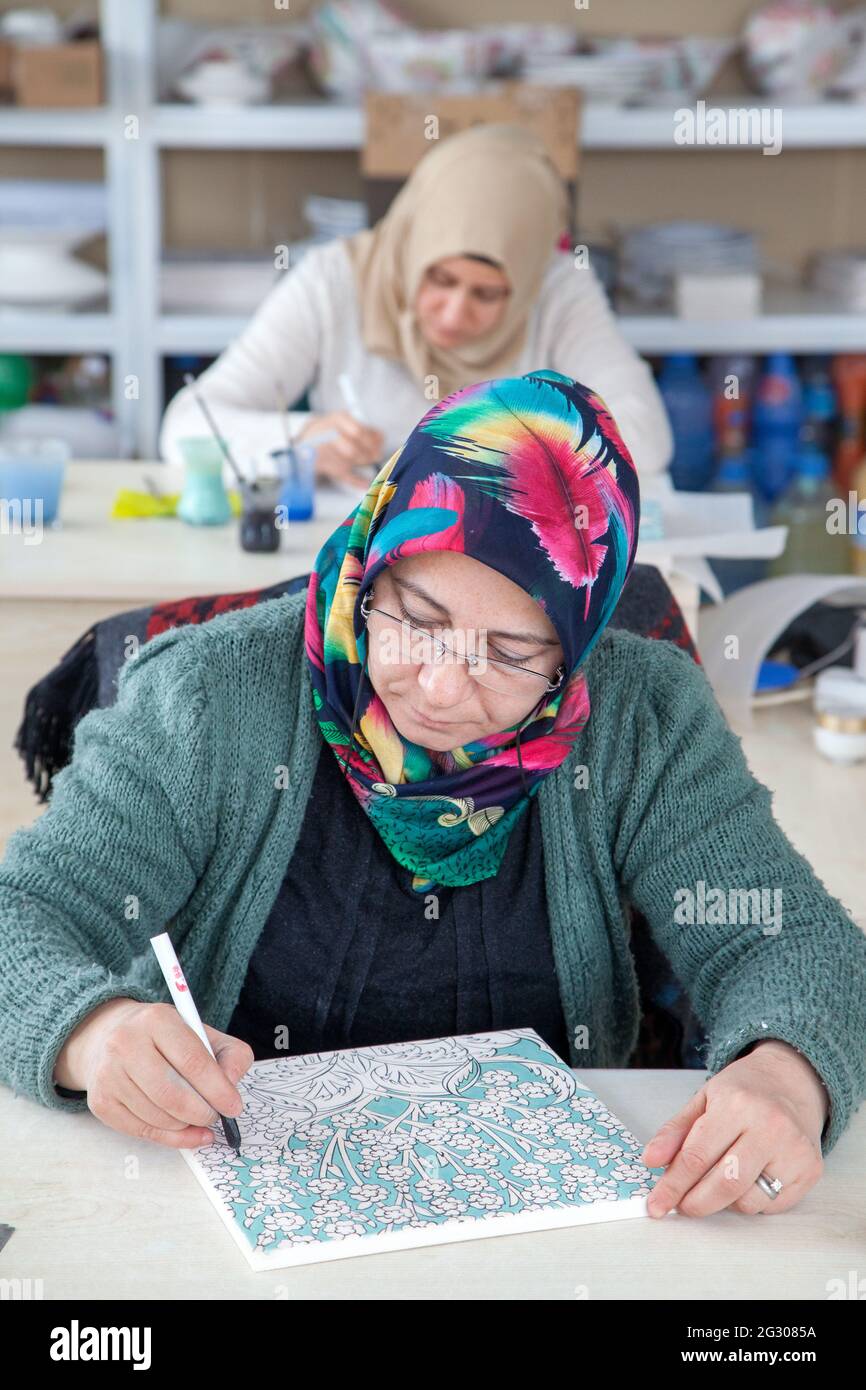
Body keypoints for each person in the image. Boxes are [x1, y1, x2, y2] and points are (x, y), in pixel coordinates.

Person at [2, 370, 864, 1223]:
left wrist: (785, 1071)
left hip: (545, 1221)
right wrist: (95, 1032)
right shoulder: (206, 699)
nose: (445, 689)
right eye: (416, 617)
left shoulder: (645, 718)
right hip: (226, 1207)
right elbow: (25, 916)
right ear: (372, 561)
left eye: (514, 653)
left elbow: (787, 941)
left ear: (580, 644)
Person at [158, 123, 673, 490]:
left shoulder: (558, 289)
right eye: (439, 279)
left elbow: (646, 440)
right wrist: (301, 437)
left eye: (487, 294)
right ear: (412, 248)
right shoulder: (335, 279)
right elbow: (185, 428)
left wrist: (495, 445)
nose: (453, 315)